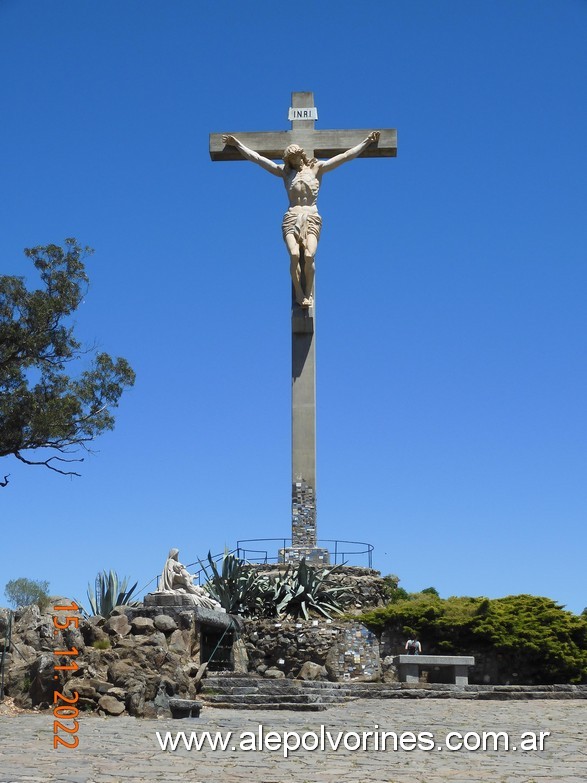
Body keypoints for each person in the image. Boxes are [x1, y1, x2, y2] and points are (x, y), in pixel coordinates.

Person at [222, 131, 381, 307]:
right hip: (291, 218)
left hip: (312, 217)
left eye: (295, 156)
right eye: (290, 158)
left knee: (309, 255)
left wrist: (366, 141)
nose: (293, 160)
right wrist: (237, 145)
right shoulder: (285, 173)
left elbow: (345, 156)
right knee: (295, 254)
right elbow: (258, 159)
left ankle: (308, 292)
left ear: (301, 155)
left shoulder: (316, 169)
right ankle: (299, 293)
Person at [158, 548, 222, 610]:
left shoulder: (183, 572)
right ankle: (211, 603)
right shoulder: (171, 561)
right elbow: (170, 573)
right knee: (197, 593)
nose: (177, 555)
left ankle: (211, 602)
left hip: (186, 586)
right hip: (182, 586)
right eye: (176, 554)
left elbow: (188, 582)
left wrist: (191, 577)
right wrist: (197, 594)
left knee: (199, 592)